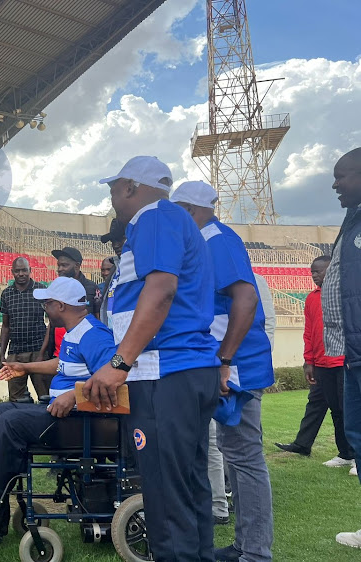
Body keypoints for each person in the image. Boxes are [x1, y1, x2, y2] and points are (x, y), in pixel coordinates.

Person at [87, 156, 221, 561]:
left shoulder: (154, 217)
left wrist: (120, 363)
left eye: (114, 188)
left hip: (165, 371)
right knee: (188, 484)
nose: (111, 197)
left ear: (130, 187)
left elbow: (161, 289)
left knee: (164, 493)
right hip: (182, 371)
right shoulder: (171, 221)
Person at [0, 277, 117, 535]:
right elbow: (61, 364)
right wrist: (24, 367)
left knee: (11, 424)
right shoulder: (78, 329)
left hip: (80, 422)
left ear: (60, 306)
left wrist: (74, 397)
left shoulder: (93, 335)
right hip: (67, 416)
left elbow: (112, 377)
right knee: (1, 412)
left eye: (47, 304)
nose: (44, 309)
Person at [171, 180, 275, 562]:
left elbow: (245, 299)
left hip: (237, 366)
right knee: (234, 455)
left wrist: (225, 361)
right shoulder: (206, 238)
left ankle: (256, 552)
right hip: (227, 363)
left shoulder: (215, 238)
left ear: (190, 210)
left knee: (245, 458)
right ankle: (245, 545)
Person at [275, 256, 353, 469]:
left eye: (319, 271)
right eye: (312, 272)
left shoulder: (345, 294)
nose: (314, 275)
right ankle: (346, 454)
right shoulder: (311, 299)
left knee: (350, 409)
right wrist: (308, 361)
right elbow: (308, 332)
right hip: (321, 363)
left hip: (343, 361)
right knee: (336, 409)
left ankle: (356, 455)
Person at [321, 148, 361, 548]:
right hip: (352, 351)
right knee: (358, 436)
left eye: (342, 176)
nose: (335, 184)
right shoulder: (351, 222)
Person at [0, 257, 48, 401]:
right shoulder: (7, 294)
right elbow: (6, 327)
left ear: (30, 271)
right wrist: (3, 354)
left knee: (45, 396)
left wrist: (44, 352)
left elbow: (52, 321)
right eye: (18, 271)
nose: (21, 274)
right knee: (16, 399)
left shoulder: (41, 290)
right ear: (12, 272)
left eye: (24, 270)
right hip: (15, 352)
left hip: (38, 351)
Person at [40, 246, 101, 362]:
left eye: (64, 265)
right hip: (56, 353)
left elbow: (98, 318)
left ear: (77, 266)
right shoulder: (56, 288)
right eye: (59, 265)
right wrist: (43, 352)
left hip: (81, 353)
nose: (60, 269)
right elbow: (51, 323)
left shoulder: (92, 288)